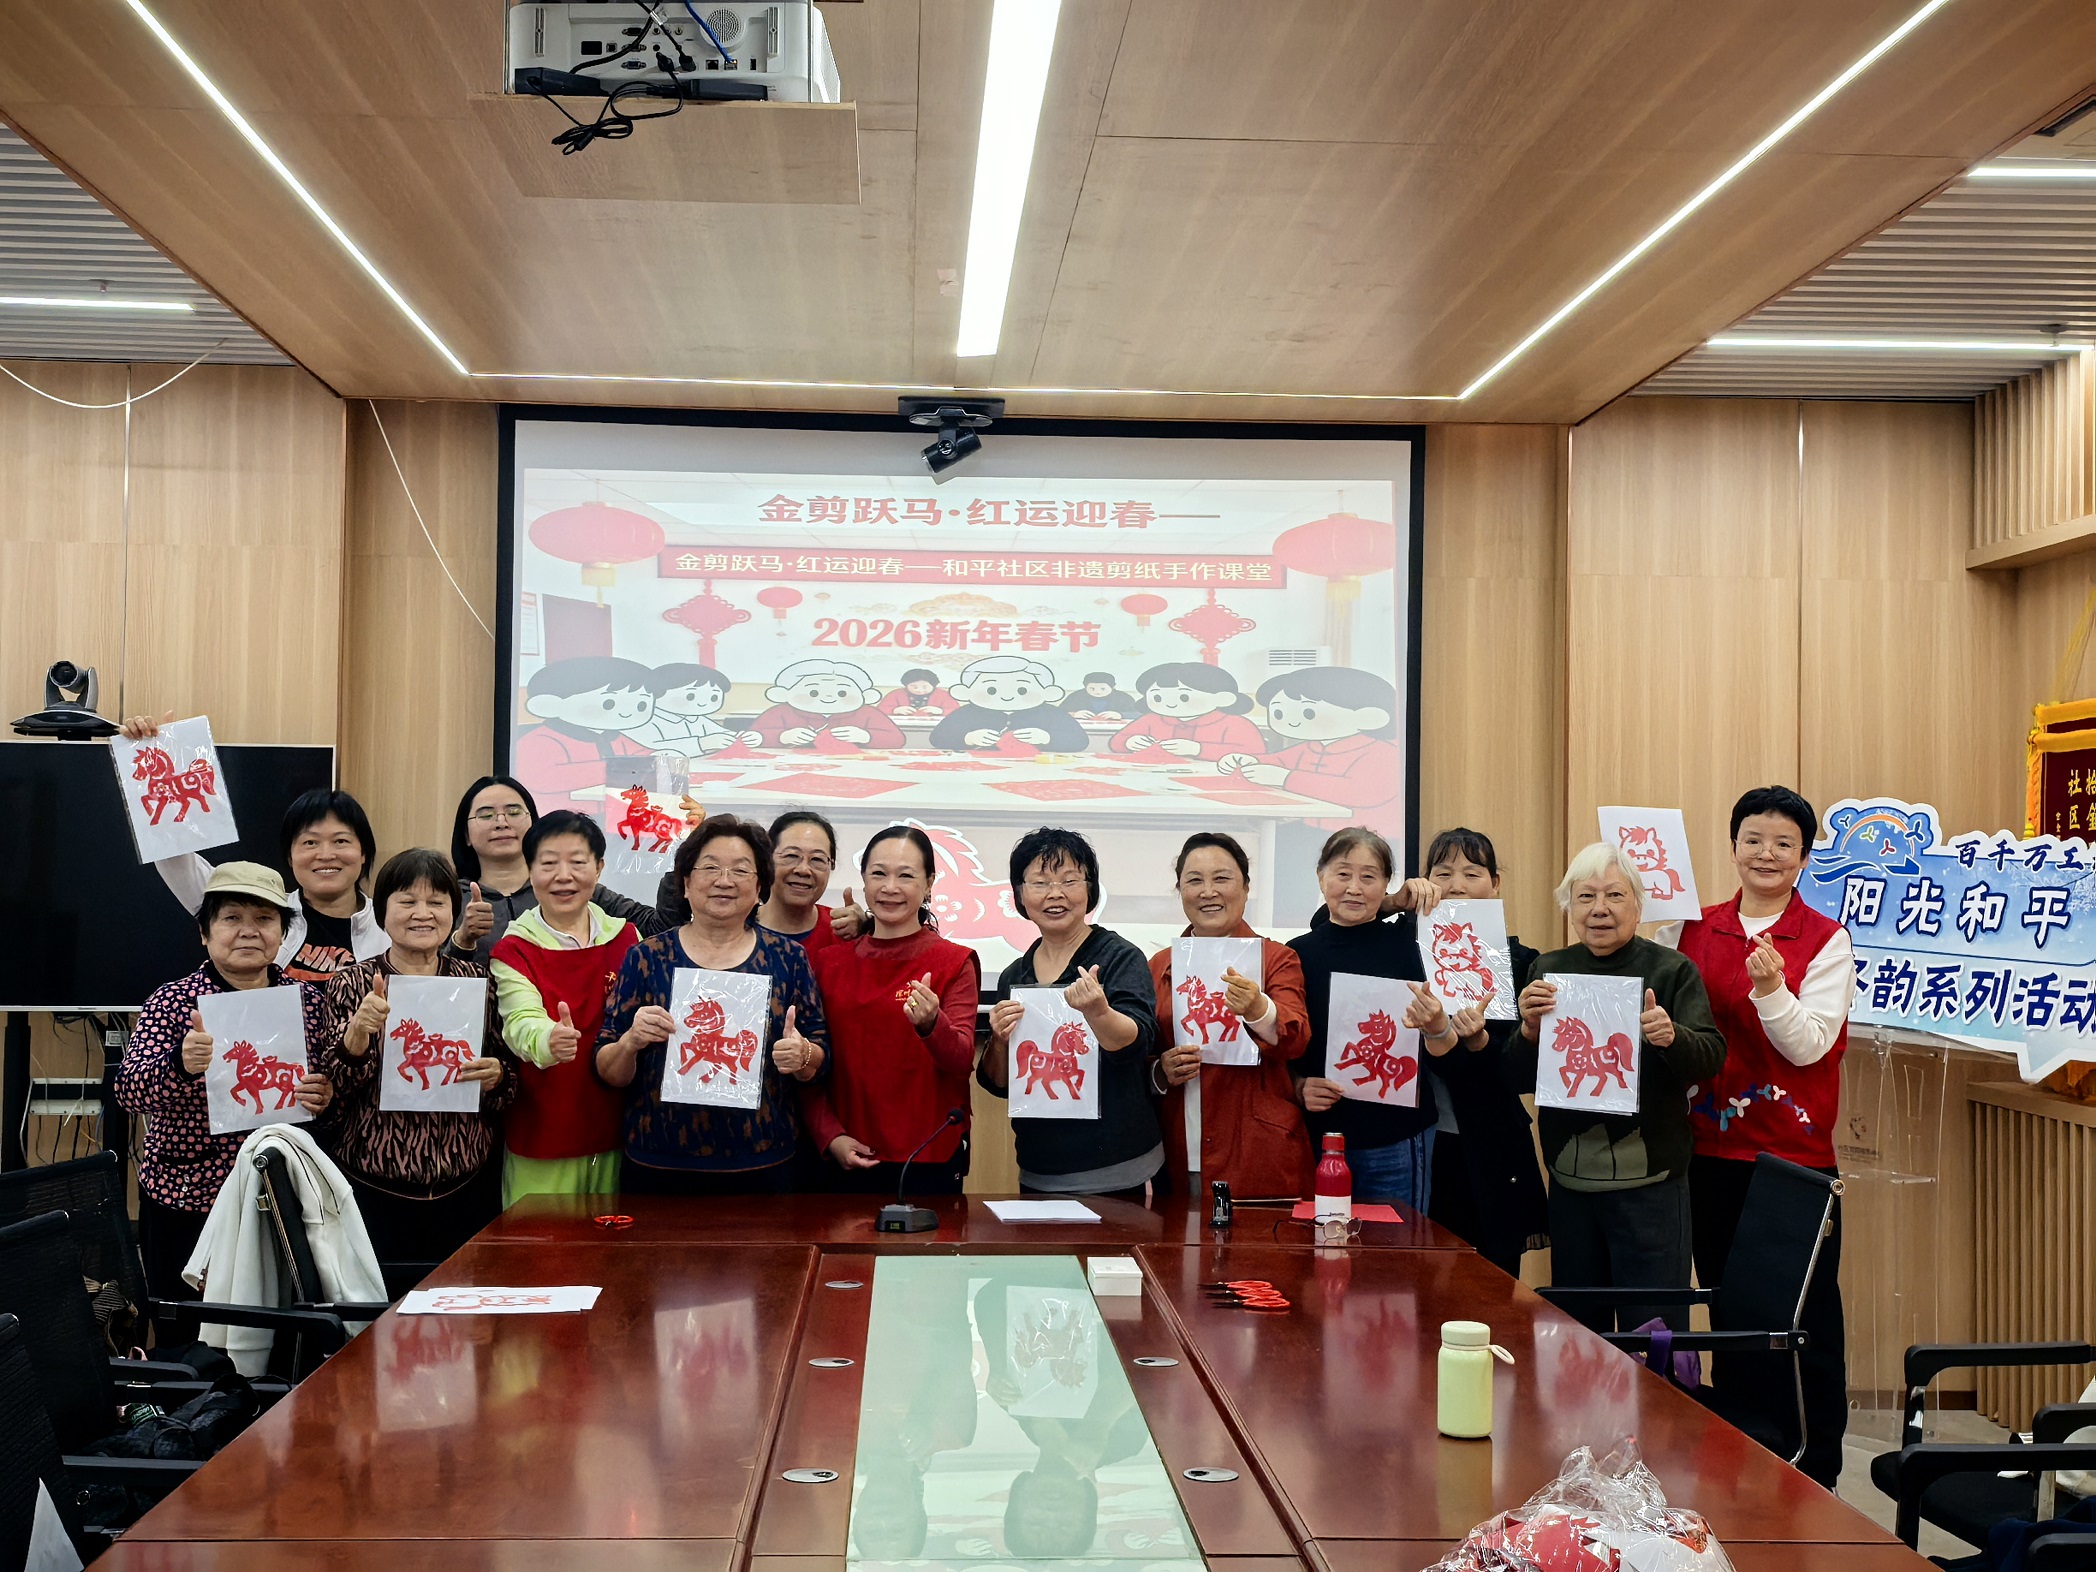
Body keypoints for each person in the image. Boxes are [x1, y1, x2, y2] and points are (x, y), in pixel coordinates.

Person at [1673, 786, 1852, 1487]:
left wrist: (1772, 989)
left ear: (1804, 858)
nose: (1766, 854)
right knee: (1729, 1312)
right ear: (1733, 847)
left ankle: (1816, 1469)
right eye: (1753, 839)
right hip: (1707, 1151)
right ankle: (1743, 1462)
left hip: (1791, 1162)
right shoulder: (1695, 929)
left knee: (1803, 1319)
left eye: (1783, 843)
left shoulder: (1825, 938)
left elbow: (1808, 1047)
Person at [1518, 842, 1726, 1333]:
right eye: (1585, 896)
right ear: (1569, 907)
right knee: (1578, 1335)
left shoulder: (1672, 970)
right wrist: (1528, 1032)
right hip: (1570, 1183)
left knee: (1653, 1332)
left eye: (1614, 895)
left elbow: (1711, 1056)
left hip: (1652, 1185)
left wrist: (1671, 1036)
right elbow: (1518, 1077)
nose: (1600, 909)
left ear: (1637, 904)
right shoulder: (1548, 971)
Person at [114, 863, 335, 1313]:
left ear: (282, 933)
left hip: (282, 1199)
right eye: (232, 918)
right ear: (205, 933)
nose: (249, 931)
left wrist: (325, 1095)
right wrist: (180, 1064)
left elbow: (333, 1090)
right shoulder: (172, 1002)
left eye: (264, 919)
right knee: (188, 1329)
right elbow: (129, 1092)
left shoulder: (309, 1002)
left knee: (283, 1328)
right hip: (189, 1197)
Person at [596, 815, 830, 1193]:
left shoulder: (788, 958)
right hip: (658, 1163)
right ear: (686, 884)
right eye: (710, 868)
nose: (724, 880)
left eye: (740, 870)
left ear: (760, 887)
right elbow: (608, 1071)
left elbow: (819, 1060)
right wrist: (630, 1043)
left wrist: (802, 1055)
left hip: (763, 1163)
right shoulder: (646, 957)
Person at [314, 848, 516, 1267]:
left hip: (466, 1187)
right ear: (382, 912)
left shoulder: (478, 980)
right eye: (407, 901)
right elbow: (333, 1094)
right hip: (373, 1188)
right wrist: (358, 1032)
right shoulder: (351, 983)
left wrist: (497, 1075)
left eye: (436, 902)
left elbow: (510, 1082)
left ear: (453, 913)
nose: (422, 913)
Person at [120, 712, 387, 985]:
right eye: (310, 842)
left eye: (341, 841)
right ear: (290, 856)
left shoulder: (391, 925)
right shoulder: (261, 912)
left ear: (363, 853)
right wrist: (159, 748)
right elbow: (173, 856)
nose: (326, 854)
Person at [977, 828, 1162, 1200]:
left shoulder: (1119, 957)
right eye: (1040, 882)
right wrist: (998, 1039)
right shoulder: (1014, 974)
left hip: (1119, 1171)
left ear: (1090, 890)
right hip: (1038, 1171)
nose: (1055, 893)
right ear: (1019, 894)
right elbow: (999, 1084)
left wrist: (1099, 1012)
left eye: (1069, 880)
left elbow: (1136, 1043)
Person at [805, 825, 982, 1193]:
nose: (890, 887)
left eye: (906, 876)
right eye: (879, 873)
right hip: (845, 1151)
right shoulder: (828, 962)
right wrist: (829, 1135)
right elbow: (809, 1061)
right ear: (863, 879)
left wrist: (932, 1024)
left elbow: (961, 1060)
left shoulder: (954, 961)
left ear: (929, 883)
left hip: (927, 1155)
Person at [1287, 827, 1451, 1210]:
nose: (1354, 888)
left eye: (1369, 876)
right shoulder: (1295, 954)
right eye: (1343, 874)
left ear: (1387, 884)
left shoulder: (1414, 946)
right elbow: (1283, 1043)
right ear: (1321, 877)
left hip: (1397, 1137)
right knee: (1323, 1241)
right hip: (1320, 1138)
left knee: (1398, 1244)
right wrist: (1298, 1086)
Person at [487, 811, 642, 1204]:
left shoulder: (627, 938)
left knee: (612, 1239)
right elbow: (520, 1020)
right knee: (539, 1241)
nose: (563, 876)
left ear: (599, 867)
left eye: (577, 862)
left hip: (617, 1130)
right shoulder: (514, 949)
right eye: (549, 863)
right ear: (530, 870)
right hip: (543, 1131)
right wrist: (548, 1039)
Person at [1149, 832, 1312, 1199]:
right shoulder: (1158, 966)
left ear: (1246, 887)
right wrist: (1160, 1071)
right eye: (1195, 880)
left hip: (1258, 1149)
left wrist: (1258, 1009)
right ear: (1180, 890)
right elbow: (1141, 1053)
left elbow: (1296, 1039)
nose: (1208, 892)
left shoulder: (1277, 958)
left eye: (1221, 878)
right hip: (1179, 1143)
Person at [1416, 828, 1549, 1276]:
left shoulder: (1522, 961)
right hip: (1424, 1144)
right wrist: (1397, 903)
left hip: (1491, 1142)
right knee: (1422, 1280)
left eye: (1472, 874)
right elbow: (1329, 923)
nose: (1456, 886)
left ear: (1495, 884)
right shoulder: (1407, 947)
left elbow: (1523, 1071)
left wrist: (1479, 1042)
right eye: (1443, 873)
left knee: (1494, 1280)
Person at [447, 775, 669, 962]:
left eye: (513, 812)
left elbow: (660, 930)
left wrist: (684, 853)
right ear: (466, 834)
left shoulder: (578, 891)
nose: (501, 823)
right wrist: (462, 940)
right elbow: (432, 978)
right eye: (486, 815)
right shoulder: (450, 897)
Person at [653, 809, 868, 946]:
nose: (803, 869)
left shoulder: (846, 930)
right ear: (767, 860)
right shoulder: (732, 926)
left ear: (831, 865)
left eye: (818, 859)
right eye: (791, 856)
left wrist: (869, 927)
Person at [514, 655, 659, 812]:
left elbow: (639, 755)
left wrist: (657, 758)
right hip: (562, 818)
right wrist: (615, 770)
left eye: (641, 704)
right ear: (549, 705)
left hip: (612, 815)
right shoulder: (540, 740)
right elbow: (542, 777)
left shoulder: (613, 737)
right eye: (608, 703)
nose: (626, 713)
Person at [929, 656, 1090, 753]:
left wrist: (1047, 738)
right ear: (965, 692)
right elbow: (937, 738)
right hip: (977, 767)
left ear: (1048, 692)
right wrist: (968, 738)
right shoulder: (967, 712)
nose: (1007, 696)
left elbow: (1080, 741)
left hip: (1037, 768)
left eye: (1022, 689)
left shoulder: (1051, 713)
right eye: (991, 689)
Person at [1108, 664, 1264, 760]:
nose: (1170, 703)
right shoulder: (1151, 719)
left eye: (1184, 697)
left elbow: (1254, 753)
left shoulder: (1235, 723)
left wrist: (1198, 749)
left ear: (1222, 698)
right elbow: (1116, 742)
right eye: (1157, 697)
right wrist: (1130, 742)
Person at [875, 667, 958, 717]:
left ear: (933, 685)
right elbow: (879, 710)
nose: (919, 690)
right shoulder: (896, 694)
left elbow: (957, 711)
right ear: (906, 685)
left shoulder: (942, 695)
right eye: (914, 687)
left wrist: (941, 711)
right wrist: (894, 710)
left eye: (925, 687)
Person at [1061, 672, 1139, 721]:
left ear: (1113, 687)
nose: (1097, 692)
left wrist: (1120, 715)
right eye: (1092, 688)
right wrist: (1073, 714)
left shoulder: (1123, 698)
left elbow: (1138, 714)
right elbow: (1058, 713)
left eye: (1103, 689)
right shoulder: (1076, 696)